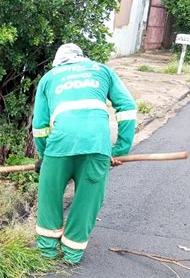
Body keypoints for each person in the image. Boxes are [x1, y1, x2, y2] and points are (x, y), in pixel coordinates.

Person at [32, 43, 137, 264]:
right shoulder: (103, 70)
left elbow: (40, 126)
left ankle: (47, 251)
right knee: (87, 200)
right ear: (82, 59)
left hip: (59, 145)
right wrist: (120, 150)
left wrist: (44, 155)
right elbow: (127, 107)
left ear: (58, 62)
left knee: (49, 196)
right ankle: (72, 254)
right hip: (97, 144)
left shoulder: (50, 78)